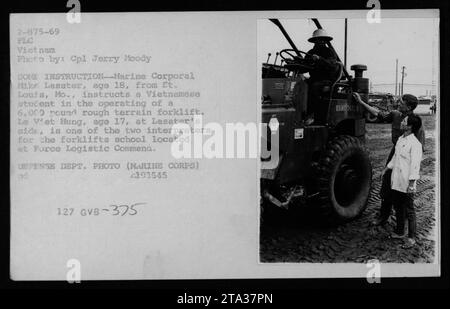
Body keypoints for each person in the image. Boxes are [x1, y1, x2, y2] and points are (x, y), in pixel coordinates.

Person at [352, 93, 425, 225]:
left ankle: (404, 217)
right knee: (386, 181)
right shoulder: (396, 114)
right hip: (395, 152)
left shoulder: (416, 122)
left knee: (404, 189)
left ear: (408, 107)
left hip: (407, 158)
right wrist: (362, 103)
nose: (398, 103)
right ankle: (384, 215)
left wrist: (411, 171)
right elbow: (378, 113)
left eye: (401, 102)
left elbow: (419, 149)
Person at [384, 114, 423, 247]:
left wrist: (412, 184)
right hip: (397, 180)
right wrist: (387, 168)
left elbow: (415, 165)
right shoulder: (401, 139)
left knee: (409, 210)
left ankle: (412, 237)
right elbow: (395, 157)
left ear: (410, 126)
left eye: (405, 121)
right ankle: (400, 232)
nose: (402, 122)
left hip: (407, 183)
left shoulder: (415, 144)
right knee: (399, 207)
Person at [305, 29, 341, 124]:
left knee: (314, 87)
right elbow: (304, 66)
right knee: (299, 86)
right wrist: (296, 60)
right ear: (314, 41)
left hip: (326, 80)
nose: (319, 41)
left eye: (321, 39)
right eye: (317, 40)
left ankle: (312, 114)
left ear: (325, 40)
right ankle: (300, 112)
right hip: (313, 79)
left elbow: (332, 65)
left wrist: (319, 59)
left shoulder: (329, 52)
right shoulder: (310, 52)